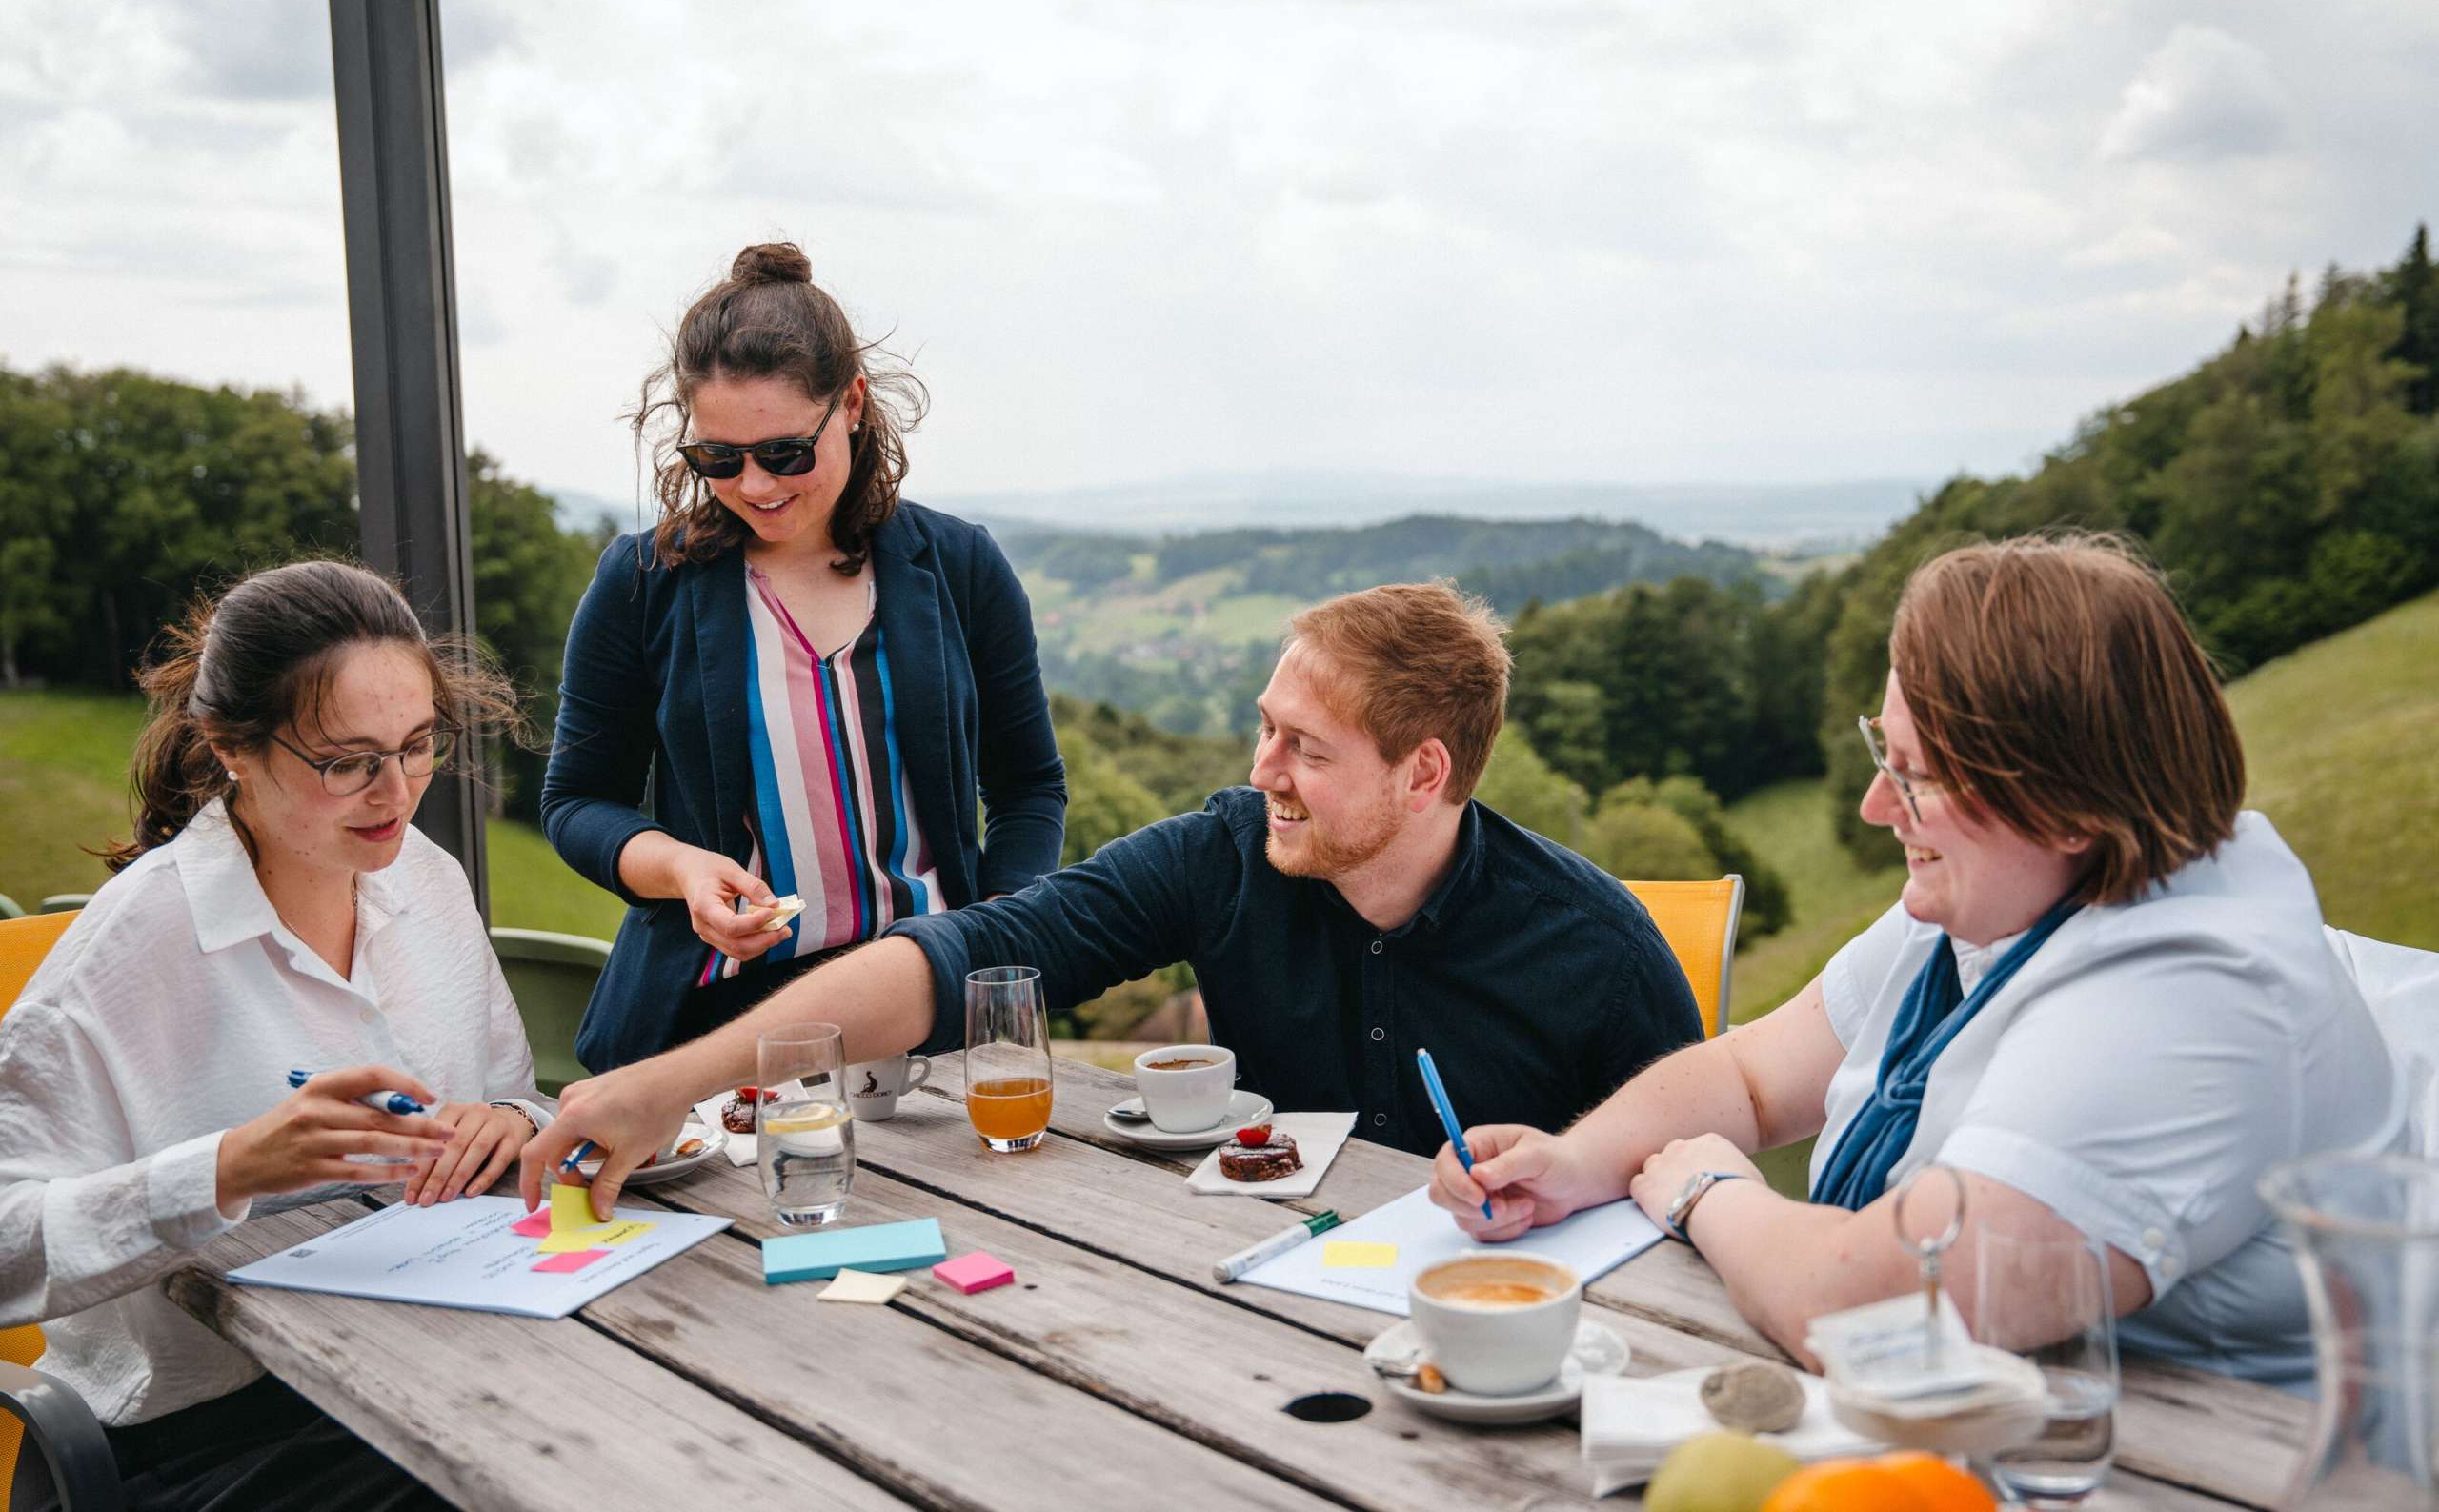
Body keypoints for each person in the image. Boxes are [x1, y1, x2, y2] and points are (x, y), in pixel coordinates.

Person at [1426, 534, 2409, 1389]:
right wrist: (1574, 1161)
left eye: (1917, 774)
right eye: (1881, 752)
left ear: (2066, 800)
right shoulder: (2021, 882)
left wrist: (1705, 1191)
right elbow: (1753, 1075)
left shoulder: (2186, 1006)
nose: (1874, 806)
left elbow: (1864, 1312)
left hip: (2194, 1456)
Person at [527, 581, 1702, 1213]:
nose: (1261, 772)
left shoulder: (1599, 948)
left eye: (1304, 748)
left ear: (1425, 771)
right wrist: (673, 1080)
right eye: (1263, 727)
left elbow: (1689, 1182)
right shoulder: (1224, 854)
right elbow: (965, 953)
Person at [0, 560, 554, 1509]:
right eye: (346, 760)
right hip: (205, 1445)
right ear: (231, 746)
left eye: (417, 745)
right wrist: (228, 1166)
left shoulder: (427, 880)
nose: (395, 792)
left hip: (428, 1366)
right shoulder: (132, 951)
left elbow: (513, 1095)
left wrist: (507, 1115)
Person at [544, 241, 1066, 1074]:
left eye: (786, 453)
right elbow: (576, 803)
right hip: (707, 1026)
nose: (755, 485)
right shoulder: (641, 583)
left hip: (926, 1004)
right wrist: (680, 868)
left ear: (853, 403)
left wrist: (998, 933)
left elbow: (1029, 787)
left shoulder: (961, 567)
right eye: (718, 458)